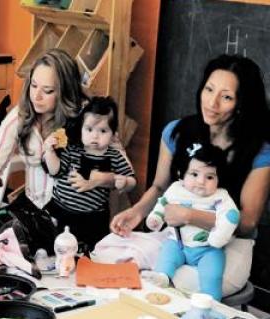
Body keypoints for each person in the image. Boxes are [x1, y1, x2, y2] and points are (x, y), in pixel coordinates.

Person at [111, 54, 270, 296]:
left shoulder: (260, 151)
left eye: (226, 97)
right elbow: (160, 187)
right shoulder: (177, 132)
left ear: (240, 104)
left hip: (228, 246)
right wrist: (138, 212)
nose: (212, 103)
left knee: (184, 282)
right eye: (209, 89)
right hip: (177, 239)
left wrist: (190, 215)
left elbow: (247, 223)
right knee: (110, 250)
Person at [0, 49, 117, 254]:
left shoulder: (89, 118)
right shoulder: (21, 114)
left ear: (65, 92)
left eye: (48, 91)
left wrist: (97, 180)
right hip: (33, 209)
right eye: (33, 86)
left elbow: (120, 173)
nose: (37, 96)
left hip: (76, 219)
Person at [144, 142, 239, 301]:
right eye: (194, 174)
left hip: (207, 248)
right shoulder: (176, 189)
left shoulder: (220, 196)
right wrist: (156, 218)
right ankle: (162, 277)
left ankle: (210, 300)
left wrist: (220, 236)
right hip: (178, 244)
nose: (201, 181)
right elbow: (163, 203)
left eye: (209, 177)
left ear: (219, 179)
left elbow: (231, 215)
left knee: (212, 274)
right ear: (182, 173)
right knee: (167, 254)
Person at [43, 96, 136, 249]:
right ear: (81, 129)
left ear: (113, 134)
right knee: (53, 245)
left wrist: (124, 181)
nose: (95, 136)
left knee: (93, 250)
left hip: (92, 218)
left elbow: (132, 181)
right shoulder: (73, 150)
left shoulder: (114, 156)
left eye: (103, 131)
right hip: (61, 210)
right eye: (89, 129)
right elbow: (56, 171)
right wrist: (49, 152)